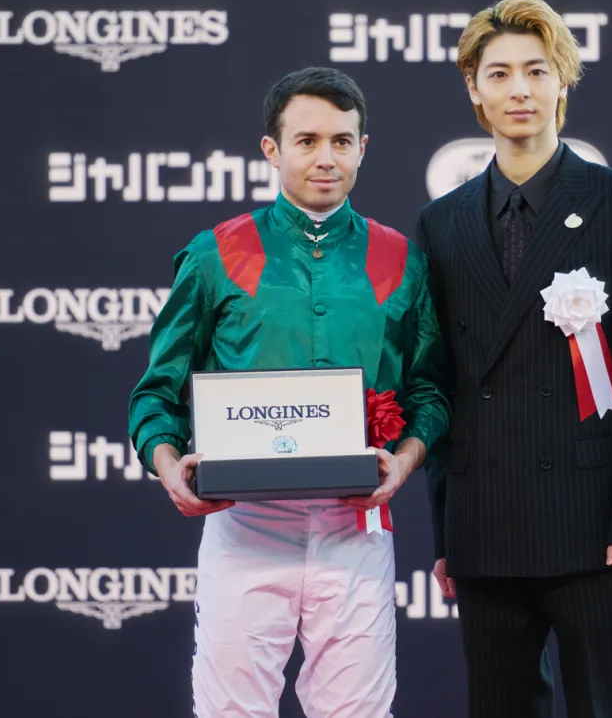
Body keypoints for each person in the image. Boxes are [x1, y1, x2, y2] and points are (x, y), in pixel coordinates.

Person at [128, 66, 451, 718]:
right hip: (245, 525)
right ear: (271, 149)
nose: (326, 158)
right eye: (306, 141)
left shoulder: (402, 259)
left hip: (356, 527)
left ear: (363, 147)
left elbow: (431, 393)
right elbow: (155, 394)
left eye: (341, 140)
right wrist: (168, 465)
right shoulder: (215, 254)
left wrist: (403, 462)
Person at [416, 0, 612, 718]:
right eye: (498, 74)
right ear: (474, 89)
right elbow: (439, 385)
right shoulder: (441, 223)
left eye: (536, 70)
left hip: (597, 528)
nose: (519, 90)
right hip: (485, 523)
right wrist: (447, 533)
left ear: (563, 79)